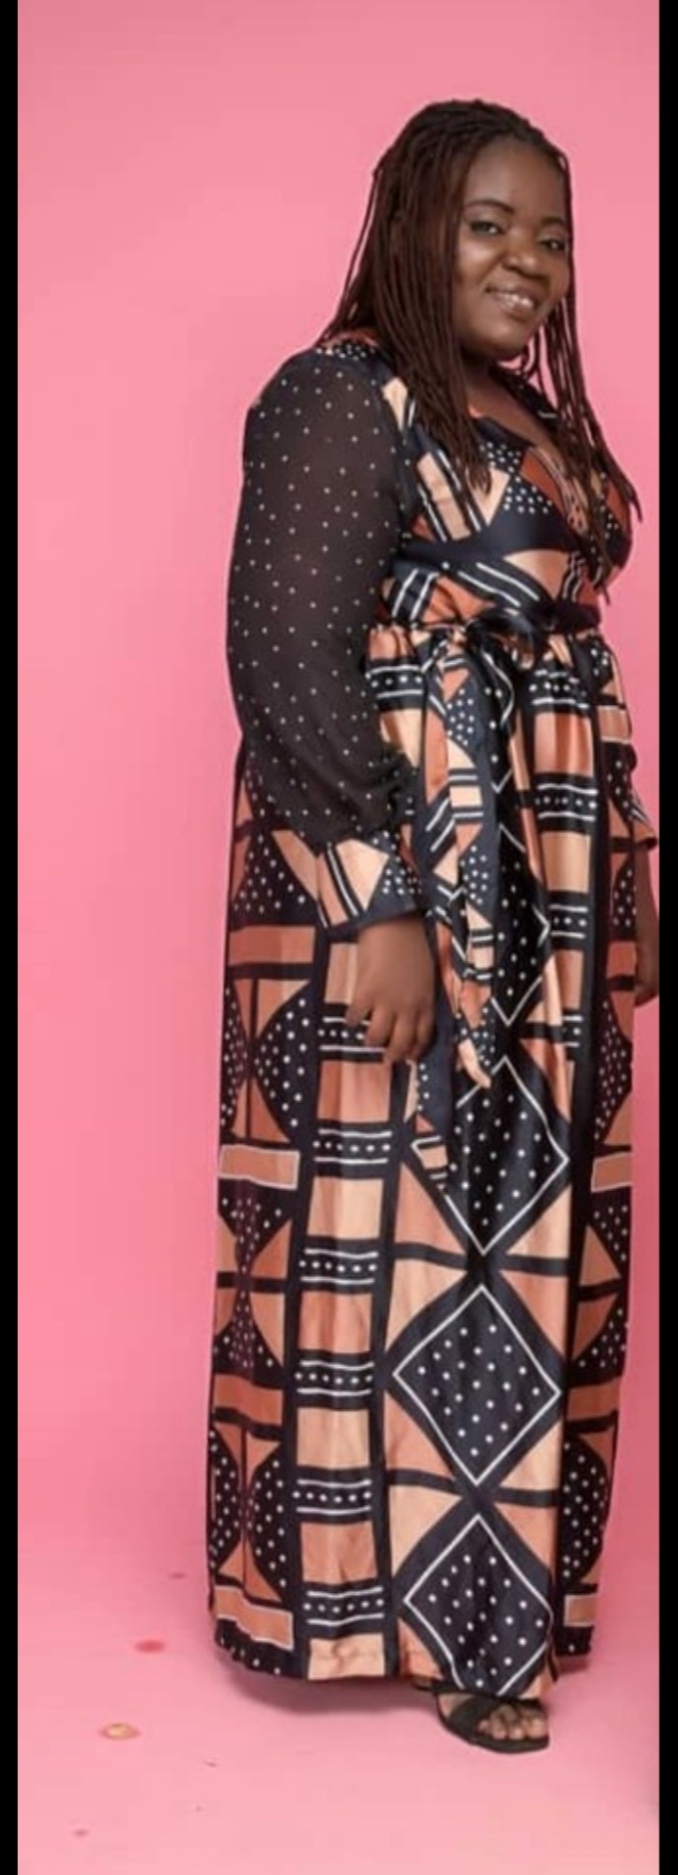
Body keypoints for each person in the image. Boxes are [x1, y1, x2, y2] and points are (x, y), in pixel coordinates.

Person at [207, 99, 659, 1754]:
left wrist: (631, 871)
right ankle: (378, 1611)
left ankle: (496, 1604)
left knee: (525, 1230)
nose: (526, 263)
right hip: (395, 875)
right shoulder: (341, 392)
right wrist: (378, 901)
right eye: (488, 225)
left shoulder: (521, 409)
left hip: (551, 883)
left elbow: (570, 659)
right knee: (386, 1224)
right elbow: (283, 656)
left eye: (550, 236)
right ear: (410, 222)